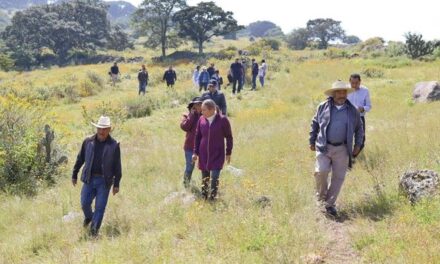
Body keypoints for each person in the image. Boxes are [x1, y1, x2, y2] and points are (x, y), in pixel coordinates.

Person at [309, 81, 364, 217]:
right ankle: (321, 199)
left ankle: (329, 205)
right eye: (339, 92)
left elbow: (359, 128)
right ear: (333, 94)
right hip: (324, 146)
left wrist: (358, 145)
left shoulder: (352, 110)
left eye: (344, 92)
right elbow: (315, 123)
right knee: (321, 172)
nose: (342, 95)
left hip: (343, 148)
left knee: (338, 178)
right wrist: (312, 140)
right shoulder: (323, 107)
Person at [72, 116, 122, 236]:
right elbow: (80, 159)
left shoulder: (114, 145)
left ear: (109, 129)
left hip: (104, 181)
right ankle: (89, 217)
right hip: (89, 178)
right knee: (84, 203)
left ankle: (94, 231)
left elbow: (117, 166)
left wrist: (116, 184)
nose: (101, 131)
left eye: (104, 129)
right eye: (99, 128)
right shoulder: (88, 142)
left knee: (100, 207)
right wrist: (74, 173)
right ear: (97, 128)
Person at [193, 99, 233, 200]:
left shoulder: (223, 120)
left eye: (204, 110)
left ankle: (212, 197)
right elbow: (198, 136)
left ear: (212, 109)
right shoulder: (201, 119)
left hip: (217, 153)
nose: (201, 112)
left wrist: (228, 152)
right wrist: (195, 152)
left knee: (214, 176)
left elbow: (229, 137)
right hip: (204, 154)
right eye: (201, 110)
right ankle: (204, 197)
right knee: (205, 177)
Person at [180, 97, 203, 188]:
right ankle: (186, 186)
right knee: (189, 168)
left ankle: (205, 186)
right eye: (196, 104)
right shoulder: (187, 116)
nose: (199, 106)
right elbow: (184, 127)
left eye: (200, 104)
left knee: (205, 168)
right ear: (192, 106)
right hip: (190, 147)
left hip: (203, 146)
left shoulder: (205, 115)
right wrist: (192, 115)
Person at [347, 73, 371, 155]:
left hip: (359, 118)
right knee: (346, 139)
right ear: (349, 81)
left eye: (356, 83)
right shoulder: (344, 89)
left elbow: (368, 106)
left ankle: (354, 156)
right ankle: (347, 159)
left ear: (360, 82)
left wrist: (362, 108)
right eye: (352, 83)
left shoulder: (365, 91)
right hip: (347, 117)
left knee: (361, 140)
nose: (354, 85)